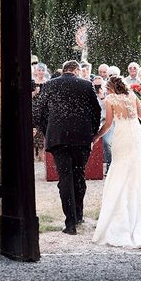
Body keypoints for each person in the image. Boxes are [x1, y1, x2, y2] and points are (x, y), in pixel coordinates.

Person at [91, 76, 141, 248]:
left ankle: (120, 219)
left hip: (122, 135)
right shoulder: (132, 95)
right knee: (137, 171)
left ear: (110, 87)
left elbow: (109, 123)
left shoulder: (110, 99)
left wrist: (96, 136)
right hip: (136, 134)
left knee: (119, 170)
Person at [34, 60, 101, 235]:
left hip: (58, 137)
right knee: (79, 175)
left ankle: (70, 223)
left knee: (65, 178)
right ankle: (78, 216)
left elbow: (39, 112)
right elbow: (96, 111)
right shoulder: (86, 85)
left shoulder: (49, 85)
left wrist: (48, 131)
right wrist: (91, 133)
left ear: (64, 70)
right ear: (76, 70)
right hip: (81, 137)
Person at [31, 62, 49, 162]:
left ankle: (42, 156)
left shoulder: (47, 82)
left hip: (44, 110)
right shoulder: (33, 82)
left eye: (42, 70)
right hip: (34, 109)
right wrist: (35, 92)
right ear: (36, 71)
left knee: (42, 132)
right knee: (34, 131)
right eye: (39, 70)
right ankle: (33, 156)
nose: (41, 72)